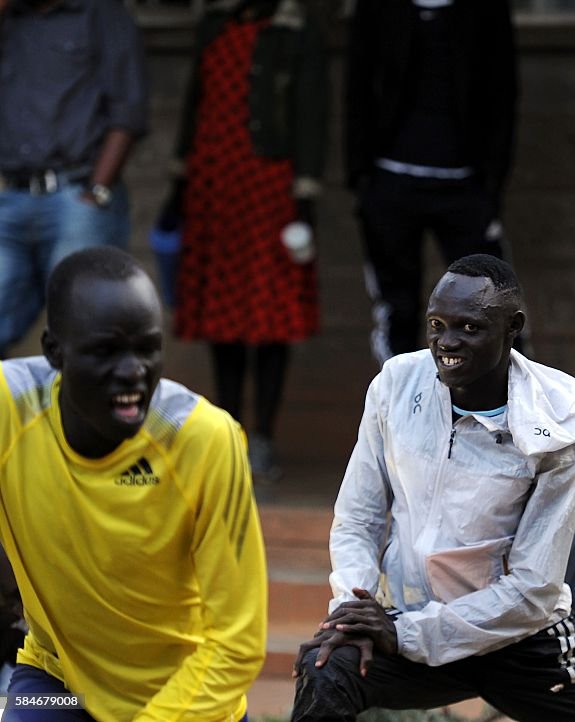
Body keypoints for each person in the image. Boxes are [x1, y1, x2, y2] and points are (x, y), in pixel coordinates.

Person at [291, 255, 575, 721]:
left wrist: (406, 635)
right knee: (326, 666)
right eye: (437, 325)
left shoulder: (558, 422)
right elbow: (359, 518)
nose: (446, 343)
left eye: (469, 329)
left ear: (513, 329)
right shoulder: (395, 385)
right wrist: (356, 610)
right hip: (407, 617)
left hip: (520, 636)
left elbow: (534, 588)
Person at [0, 246, 268, 721]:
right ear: (54, 352)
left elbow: (237, 643)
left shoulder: (203, 440)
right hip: (62, 687)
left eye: (146, 349)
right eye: (105, 351)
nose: (132, 372)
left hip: (187, 696)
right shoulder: (11, 407)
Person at [165, 0, 327, 478]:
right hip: (213, 183)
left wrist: (305, 197)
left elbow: (312, 113)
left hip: (269, 187)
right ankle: (228, 430)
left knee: (271, 318)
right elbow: (194, 106)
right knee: (222, 321)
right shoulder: (214, 24)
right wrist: (179, 184)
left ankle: (263, 439)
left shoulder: (296, 28)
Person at [347, 0, 520, 364]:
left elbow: (503, 91)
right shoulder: (378, 9)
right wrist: (363, 179)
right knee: (398, 309)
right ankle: (402, 411)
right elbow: (357, 85)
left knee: (490, 303)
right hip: (391, 181)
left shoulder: (484, 10)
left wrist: (491, 187)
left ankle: (497, 410)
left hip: (465, 185)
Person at [0, 0, 148, 359]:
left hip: (78, 195)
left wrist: (98, 190)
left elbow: (129, 109)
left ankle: (78, 417)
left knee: (84, 330)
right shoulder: (10, 19)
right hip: (12, 195)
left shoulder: (101, 14)